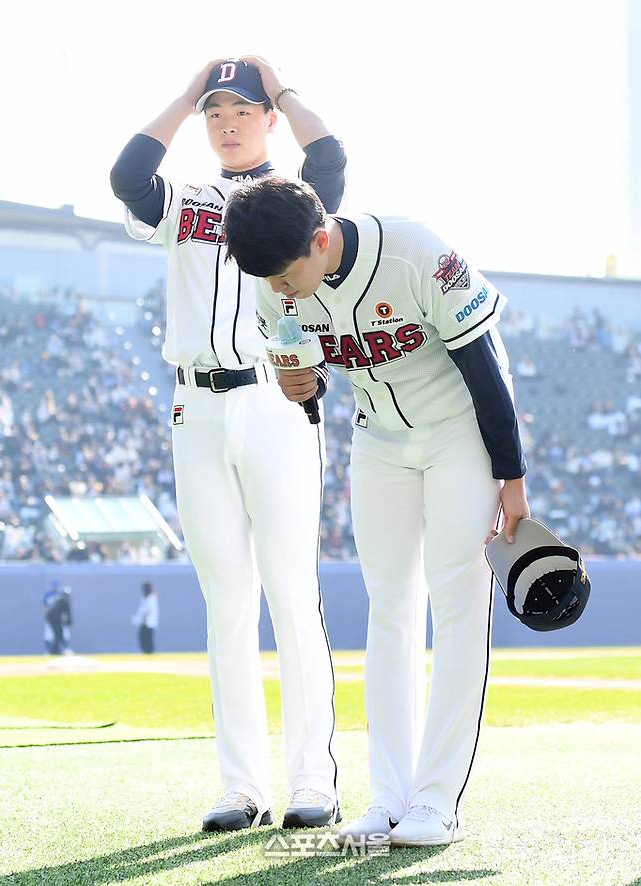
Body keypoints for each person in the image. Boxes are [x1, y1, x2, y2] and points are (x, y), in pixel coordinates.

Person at [223, 177, 531, 847]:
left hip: (461, 433)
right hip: (379, 437)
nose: (276, 287)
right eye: (264, 276)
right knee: (388, 609)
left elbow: (485, 368)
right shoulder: (272, 280)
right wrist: (300, 384)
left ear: (320, 238)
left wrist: (511, 477)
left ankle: (438, 800)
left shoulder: (415, 250)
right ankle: (389, 798)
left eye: (283, 271)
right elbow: (319, 375)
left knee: (456, 603)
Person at [110, 58, 346, 832]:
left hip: (276, 397)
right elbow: (128, 174)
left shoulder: (298, 199)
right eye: (218, 112)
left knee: (290, 595)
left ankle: (314, 778)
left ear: (268, 118)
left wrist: (277, 87)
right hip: (197, 407)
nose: (228, 121)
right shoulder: (183, 199)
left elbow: (334, 158)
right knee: (227, 607)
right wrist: (183, 96)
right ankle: (242, 785)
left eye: (242, 110)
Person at [131, 581, 159, 653]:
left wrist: (144, 620)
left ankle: (149, 652)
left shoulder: (151, 598)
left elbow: (148, 611)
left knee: (147, 639)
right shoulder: (145, 598)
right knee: (143, 639)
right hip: (144, 623)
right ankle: (146, 652)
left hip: (147, 623)